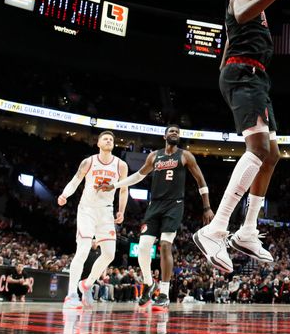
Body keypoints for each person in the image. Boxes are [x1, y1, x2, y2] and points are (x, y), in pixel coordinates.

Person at [193, 0, 290, 272]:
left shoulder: (252, 5)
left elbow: (233, 35)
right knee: (258, 150)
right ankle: (215, 229)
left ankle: (246, 231)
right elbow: (242, 17)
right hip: (246, 73)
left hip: (254, 77)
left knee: (272, 155)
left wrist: (228, 74)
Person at [104, 125, 214, 310]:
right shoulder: (154, 156)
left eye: (177, 133)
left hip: (174, 205)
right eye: (171, 131)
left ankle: (163, 293)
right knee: (143, 248)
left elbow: (200, 180)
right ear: (164, 136)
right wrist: (115, 185)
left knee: (165, 245)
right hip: (154, 205)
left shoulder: (185, 156)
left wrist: (207, 207)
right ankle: (149, 284)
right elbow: (138, 176)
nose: (174, 134)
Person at [58, 131, 128, 309]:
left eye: (112, 139)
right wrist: (65, 195)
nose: (109, 140)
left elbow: (124, 190)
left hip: (106, 212)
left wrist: (121, 210)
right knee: (82, 250)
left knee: (110, 254)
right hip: (87, 210)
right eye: (105, 138)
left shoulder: (121, 165)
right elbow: (75, 181)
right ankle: (71, 294)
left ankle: (86, 284)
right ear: (98, 143)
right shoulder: (89, 161)